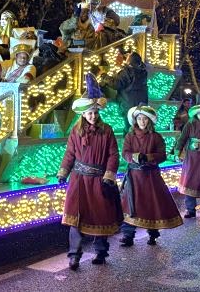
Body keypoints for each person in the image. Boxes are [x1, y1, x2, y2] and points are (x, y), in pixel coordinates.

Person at [57, 74, 122, 270]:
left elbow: (113, 155)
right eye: (89, 113)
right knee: (75, 218)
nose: (92, 116)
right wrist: (63, 172)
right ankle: (74, 255)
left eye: (95, 112)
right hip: (78, 181)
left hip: (98, 181)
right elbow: (70, 153)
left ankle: (101, 252)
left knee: (100, 217)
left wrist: (109, 175)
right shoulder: (76, 132)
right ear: (83, 114)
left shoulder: (107, 131)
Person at [119, 106, 183, 246]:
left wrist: (148, 157)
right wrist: (134, 157)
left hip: (150, 176)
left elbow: (162, 155)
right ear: (135, 120)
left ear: (149, 121)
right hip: (134, 177)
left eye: (145, 118)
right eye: (139, 118)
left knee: (152, 205)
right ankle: (128, 235)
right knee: (130, 205)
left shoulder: (156, 137)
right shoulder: (130, 136)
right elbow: (125, 153)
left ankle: (153, 234)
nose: (142, 121)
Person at [102, 51, 148, 131]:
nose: (125, 57)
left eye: (128, 56)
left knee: (129, 128)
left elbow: (116, 84)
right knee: (139, 128)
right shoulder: (142, 72)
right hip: (141, 104)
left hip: (128, 104)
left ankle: (129, 142)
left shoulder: (128, 71)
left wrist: (104, 76)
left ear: (130, 60)